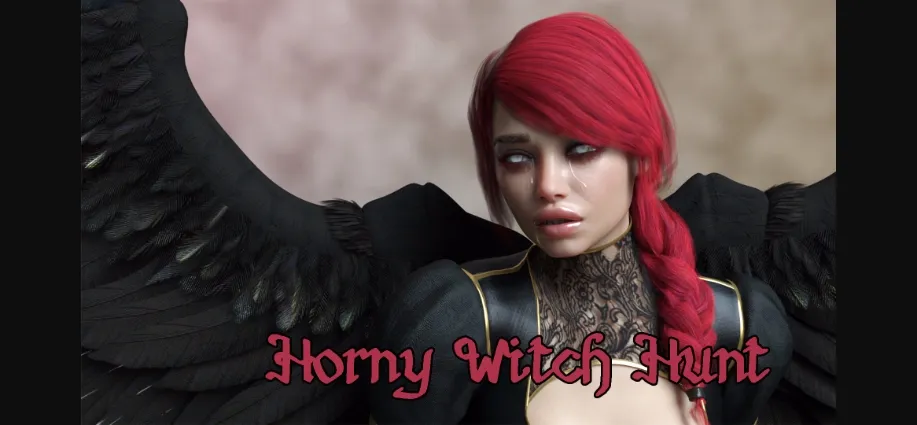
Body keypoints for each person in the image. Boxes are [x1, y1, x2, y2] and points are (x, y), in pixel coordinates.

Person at [79, 2, 835, 425]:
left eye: (579, 150)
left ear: (641, 154)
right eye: (516, 157)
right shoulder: (455, 320)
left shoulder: (745, 325)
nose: (547, 186)